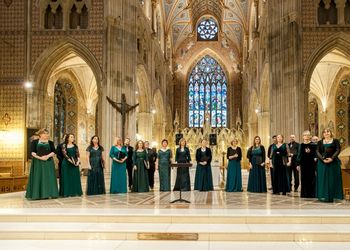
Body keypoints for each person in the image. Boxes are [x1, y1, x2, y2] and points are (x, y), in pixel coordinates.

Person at [26, 129, 59, 200]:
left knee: (49, 177)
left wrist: (47, 156)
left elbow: (54, 151)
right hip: (38, 162)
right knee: (38, 177)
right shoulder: (34, 142)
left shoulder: (50, 142)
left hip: (48, 162)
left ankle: (50, 193)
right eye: (45, 133)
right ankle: (37, 194)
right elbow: (32, 152)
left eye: (47, 133)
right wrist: (40, 158)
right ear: (40, 134)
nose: (46, 135)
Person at [316, 128, 343, 202]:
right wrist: (322, 159)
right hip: (322, 163)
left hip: (333, 163)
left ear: (331, 133)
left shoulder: (335, 141)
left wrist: (332, 158)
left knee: (332, 179)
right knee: (323, 180)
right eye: (324, 132)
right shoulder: (320, 142)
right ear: (322, 134)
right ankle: (323, 196)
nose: (326, 133)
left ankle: (333, 196)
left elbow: (338, 150)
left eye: (328, 132)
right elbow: (317, 151)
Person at [296, 130, 317, 198]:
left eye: (308, 135)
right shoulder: (301, 145)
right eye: (305, 135)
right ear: (303, 137)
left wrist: (315, 158)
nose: (306, 136)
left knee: (311, 178)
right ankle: (304, 194)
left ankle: (311, 194)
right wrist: (298, 164)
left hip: (311, 164)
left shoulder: (314, 145)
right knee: (304, 178)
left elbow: (316, 153)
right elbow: (299, 154)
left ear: (310, 136)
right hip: (303, 164)